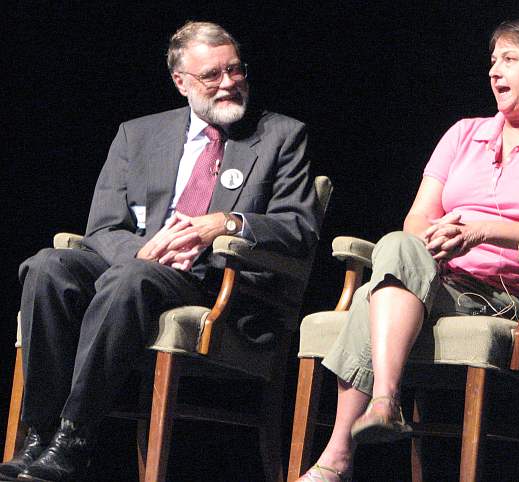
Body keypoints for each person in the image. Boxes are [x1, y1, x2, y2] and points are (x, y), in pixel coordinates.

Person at [0, 21, 319, 482]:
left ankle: (75, 438)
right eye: (212, 75)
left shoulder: (282, 136)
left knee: (129, 279)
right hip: (141, 261)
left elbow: (299, 227)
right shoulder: (138, 134)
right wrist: (149, 251)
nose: (229, 83)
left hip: (212, 277)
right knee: (47, 266)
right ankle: (39, 433)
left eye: (235, 70)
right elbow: (104, 227)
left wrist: (224, 224)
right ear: (181, 81)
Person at [298, 16, 519, 481]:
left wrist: (482, 231)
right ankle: (383, 403)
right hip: (439, 278)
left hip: (510, 295)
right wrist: (437, 236)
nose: (493, 71)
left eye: (509, 60)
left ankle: (338, 455)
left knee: (369, 295)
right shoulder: (464, 132)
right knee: (399, 245)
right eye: (492, 61)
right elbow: (417, 217)